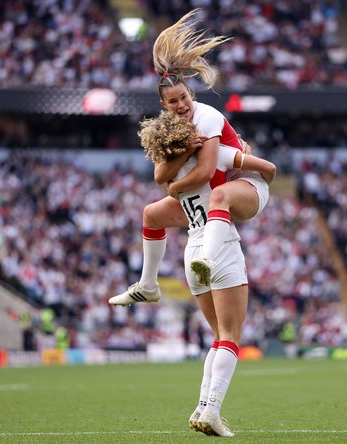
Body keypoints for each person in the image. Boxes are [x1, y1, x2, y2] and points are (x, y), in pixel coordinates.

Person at [109, 8, 274, 306]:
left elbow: (206, 172)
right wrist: (185, 150)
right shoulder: (168, 127)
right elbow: (159, 176)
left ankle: (208, 259)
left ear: (191, 94)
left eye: (184, 97)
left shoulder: (207, 117)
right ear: (163, 104)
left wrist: (175, 187)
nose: (181, 105)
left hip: (242, 188)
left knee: (219, 194)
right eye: (173, 102)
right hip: (210, 195)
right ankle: (147, 285)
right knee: (151, 214)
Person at [134, 108, 265, 437]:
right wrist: (249, 158)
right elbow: (255, 168)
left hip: (191, 249)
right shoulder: (213, 158)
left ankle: (202, 406)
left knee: (217, 338)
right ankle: (213, 410)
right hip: (218, 246)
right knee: (231, 338)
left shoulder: (175, 175)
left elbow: (161, 190)